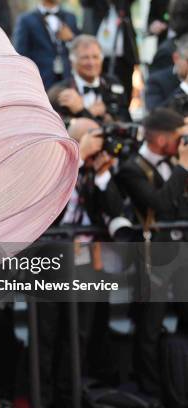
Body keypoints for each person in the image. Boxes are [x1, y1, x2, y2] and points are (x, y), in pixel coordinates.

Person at [115, 108, 188, 401]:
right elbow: (158, 203)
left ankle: (179, 384)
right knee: (149, 325)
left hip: (183, 252)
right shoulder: (132, 168)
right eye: (179, 136)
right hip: (152, 257)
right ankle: (152, 391)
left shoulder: (176, 163)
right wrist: (183, 167)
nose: (183, 141)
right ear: (160, 138)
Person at [48, 35, 131, 125]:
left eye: (95, 57)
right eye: (85, 58)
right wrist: (85, 112)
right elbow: (63, 129)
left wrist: (112, 118)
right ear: (72, 62)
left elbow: (126, 119)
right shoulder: (61, 91)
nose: (91, 63)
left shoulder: (113, 83)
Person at [13, 0, 78, 90]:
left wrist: (71, 39)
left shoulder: (71, 17)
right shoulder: (25, 20)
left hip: (67, 80)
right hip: (40, 81)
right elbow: (20, 54)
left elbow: (80, 49)